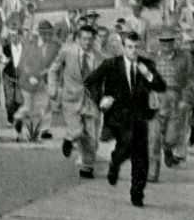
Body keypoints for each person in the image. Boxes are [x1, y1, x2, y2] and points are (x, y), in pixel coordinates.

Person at [86, 31, 166, 207]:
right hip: (118, 117)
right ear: (123, 47)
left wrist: (148, 75)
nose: (133, 51)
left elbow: (161, 85)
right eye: (129, 47)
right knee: (126, 146)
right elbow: (90, 81)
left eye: (137, 47)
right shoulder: (111, 64)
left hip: (139, 117)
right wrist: (101, 99)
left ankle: (137, 194)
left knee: (141, 157)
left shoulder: (146, 65)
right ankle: (115, 162)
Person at [48, 25, 104, 177]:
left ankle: (87, 167)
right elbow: (54, 69)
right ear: (78, 39)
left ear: (94, 40)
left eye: (90, 39)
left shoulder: (99, 57)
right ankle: (69, 137)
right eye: (84, 39)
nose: (87, 42)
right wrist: (52, 88)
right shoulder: (68, 52)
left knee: (91, 137)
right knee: (78, 131)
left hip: (91, 101)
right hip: (71, 98)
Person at [151, 27, 194, 175]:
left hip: (176, 100)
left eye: (169, 41)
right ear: (159, 42)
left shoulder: (184, 58)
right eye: (163, 41)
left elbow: (189, 80)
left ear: (174, 42)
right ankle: (152, 172)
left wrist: (186, 99)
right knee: (154, 137)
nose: (166, 44)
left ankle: (167, 148)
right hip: (156, 99)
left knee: (172, 137)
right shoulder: (153, 58)